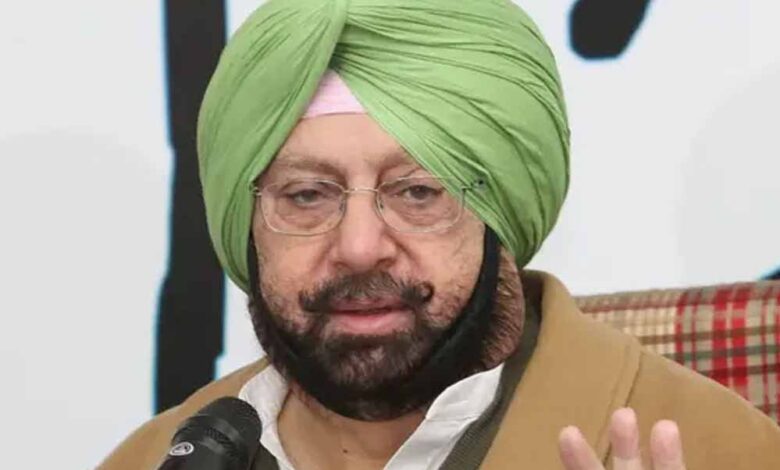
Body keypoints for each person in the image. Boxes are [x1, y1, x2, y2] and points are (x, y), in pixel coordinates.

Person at [99, 0, 780, 468]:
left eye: (418, 192)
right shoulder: (151, 460)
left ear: (501, 211)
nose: (359, 247)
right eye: (307, 195)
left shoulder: (722, 450)